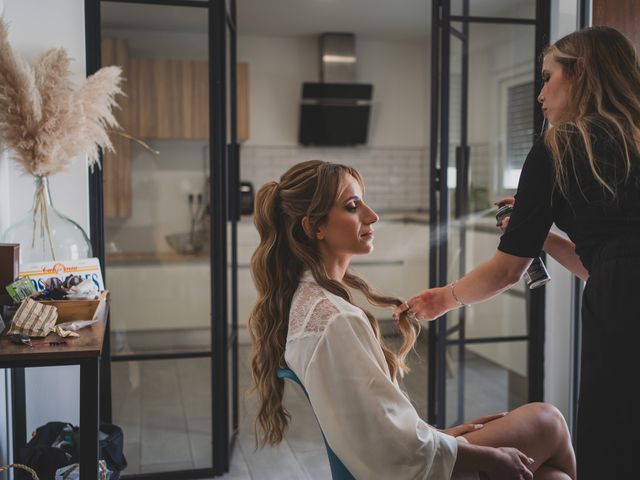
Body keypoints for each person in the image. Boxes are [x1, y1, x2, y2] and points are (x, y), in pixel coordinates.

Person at [394, 26, 640, 480]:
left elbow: (508, 270)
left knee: (616, 434)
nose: (541, 94)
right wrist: (544, 237)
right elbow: (601, 264)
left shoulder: (559, 146)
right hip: (617, 287)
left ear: (580, 73)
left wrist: (444, 299)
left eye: (548, 78)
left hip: (621, 310)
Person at [248, 160, 575, 480]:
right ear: (313, 227)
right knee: (547, 421)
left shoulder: (304, 302)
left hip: (397, 458)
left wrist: (439, 434)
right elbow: (392, 451)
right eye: (352, 206)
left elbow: (374, 426)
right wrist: (489, 455)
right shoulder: (336, 321)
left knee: (552, 475)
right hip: (404, 470)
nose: (372, 215)